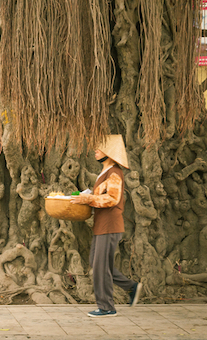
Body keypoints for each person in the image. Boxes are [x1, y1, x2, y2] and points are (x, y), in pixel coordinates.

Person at [70, 134, 142, 317]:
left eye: (99, 148)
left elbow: (112, 198)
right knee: (98, 263)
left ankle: (107, 307)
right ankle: (131, 287)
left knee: (100, 267)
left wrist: (89, 198)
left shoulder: (114, 173)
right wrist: (85, 195)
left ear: (109, 153)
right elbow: (100, 194)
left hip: (109, 225)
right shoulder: (105, 172)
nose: (95, 150)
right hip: (102, 225)